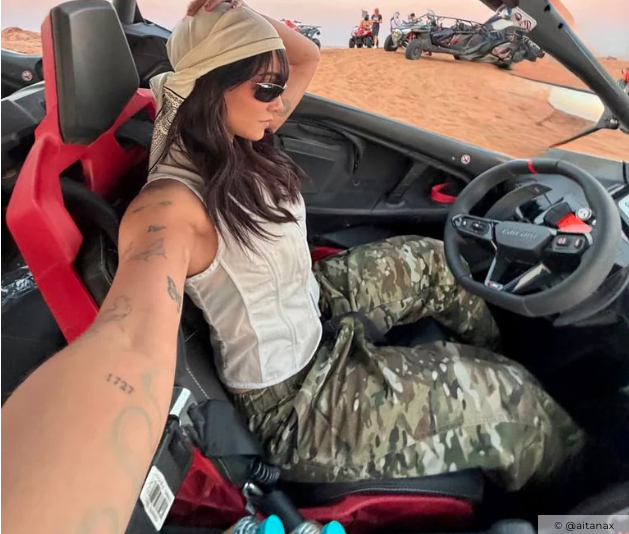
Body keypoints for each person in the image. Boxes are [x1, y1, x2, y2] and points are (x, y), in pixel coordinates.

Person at [2, 1, 584, 532]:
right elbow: (127, 341)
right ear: (209, 86)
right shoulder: (171, 206)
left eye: (278, 86)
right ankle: (577, 498)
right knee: (510, 399)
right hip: (295, 399)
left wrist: (237, 10)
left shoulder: (236, 135)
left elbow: (304, 56)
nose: (279, 100)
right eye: (266, 87)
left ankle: (501, 354)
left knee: (433, 262)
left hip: (309, 301)